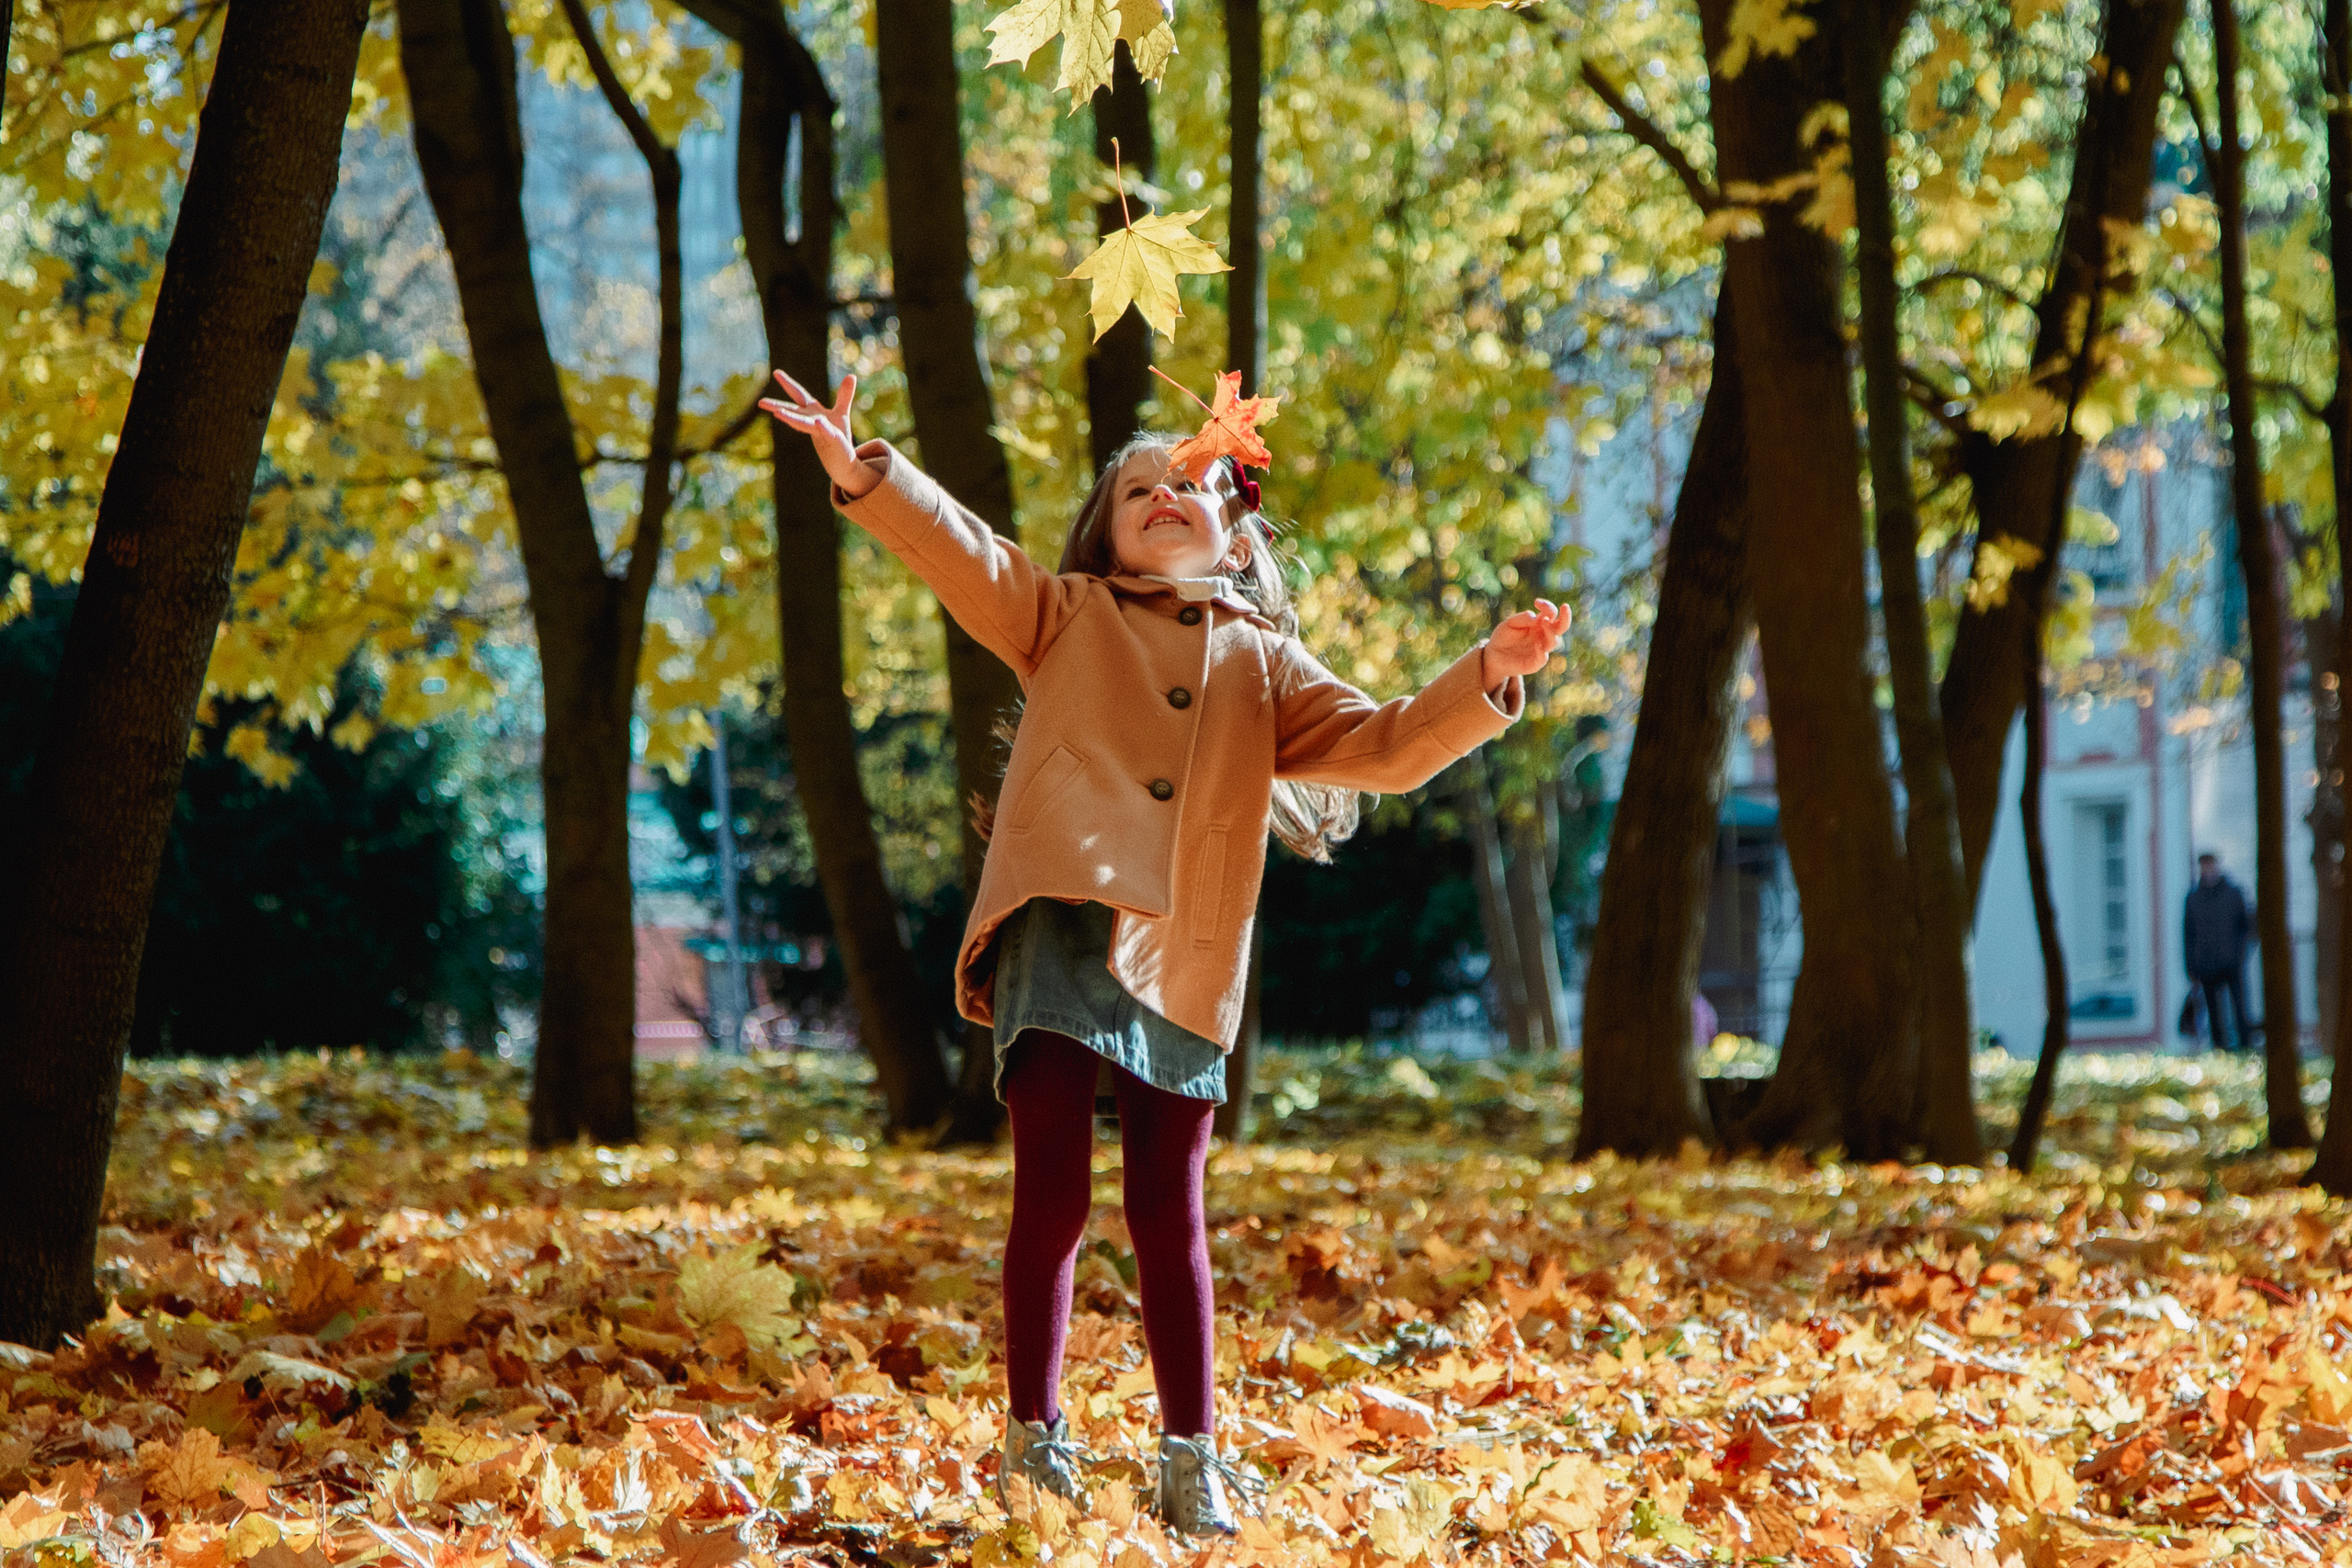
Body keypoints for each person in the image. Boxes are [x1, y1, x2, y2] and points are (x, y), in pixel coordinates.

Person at [760, 370, 1568, 1536]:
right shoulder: (1066, 616)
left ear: (1238, 542)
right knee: (1052, 1193)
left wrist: (1489, 674)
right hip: (1060, 918)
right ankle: (1035, 1442)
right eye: (1138, 490)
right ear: (1108, 535)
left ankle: (1191, 1453)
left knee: (1168, 1209)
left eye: (1187, 486)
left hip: (1186, 947)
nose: (1161, 497)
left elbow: (1390, 747)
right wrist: (862, 471)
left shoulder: (1267, 665)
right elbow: (969, 557)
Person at [2184, 852, 2256, 1054]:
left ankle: (2245, 1048)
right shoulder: (2193, 898)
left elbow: (2245, 927)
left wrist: (2239, 954)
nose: (2207, 870)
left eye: (2210, 864)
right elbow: (2188, 934)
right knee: (2214, 1012)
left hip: (2231, 963)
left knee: (2240, 1008)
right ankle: (2220, 1050)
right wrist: (2190, 966)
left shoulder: (2233, 894)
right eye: (2203, 865)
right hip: (2206, 965)